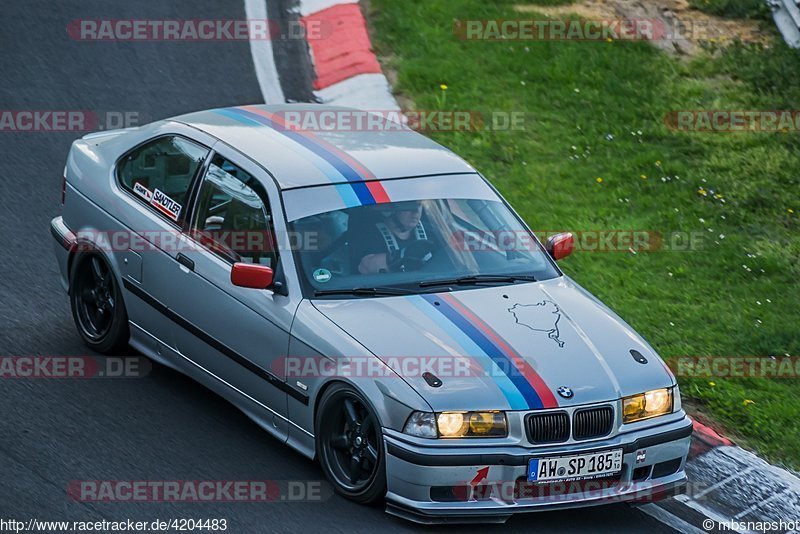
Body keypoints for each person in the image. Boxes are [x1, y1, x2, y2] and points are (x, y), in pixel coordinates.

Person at [350, 201, 433, 274]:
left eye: (419, 205)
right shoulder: (371, 234)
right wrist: (400, 256)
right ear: (394, 209)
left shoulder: (432, 232)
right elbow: (365, 266)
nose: (416, 212)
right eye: (409, 206)